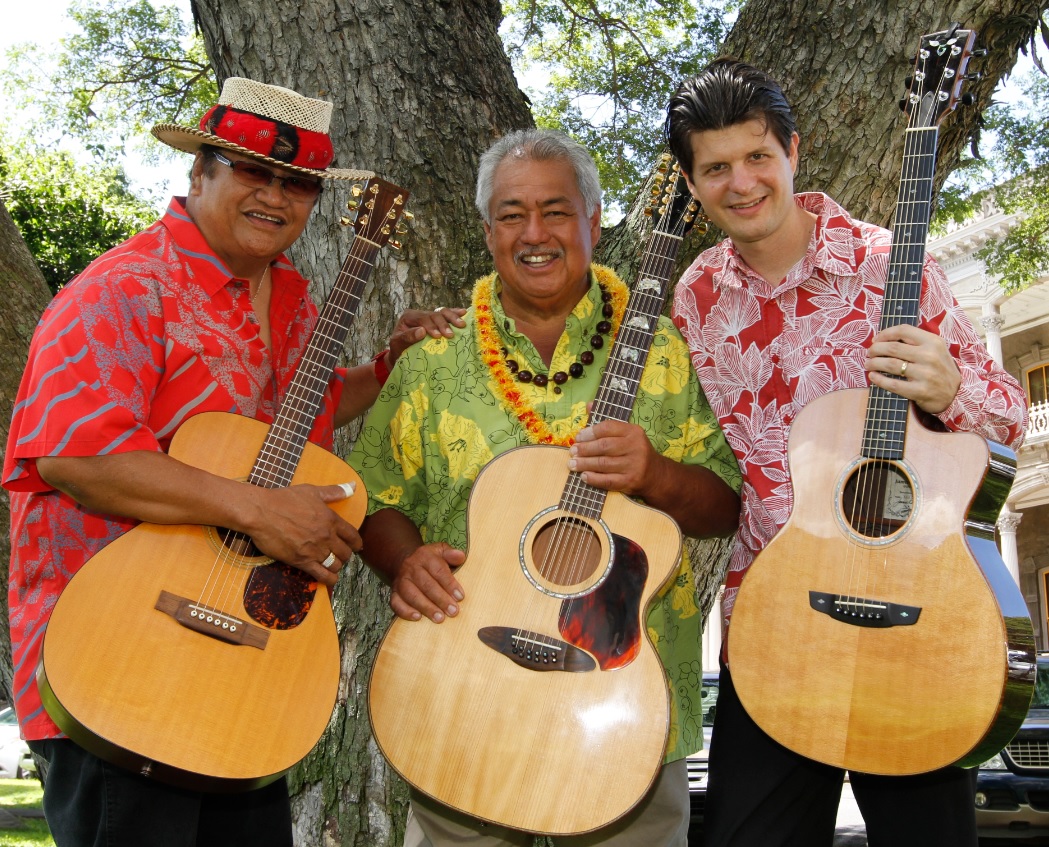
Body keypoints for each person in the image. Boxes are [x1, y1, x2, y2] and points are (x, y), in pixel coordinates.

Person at [4, 77, 464, 847]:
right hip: (113, 657)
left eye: (297, 183)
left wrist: (387, 367)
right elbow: (76, 456)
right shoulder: (123, 289)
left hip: (245, 667)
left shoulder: (292, 302)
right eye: (253, 170)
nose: (275, 196)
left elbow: (292, 426)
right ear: (199, 172)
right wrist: (259, 511)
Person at [664, 58, 1030, 847]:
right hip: (775, 625)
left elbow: (1007, 421)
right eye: (715, 167)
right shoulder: (695, 296)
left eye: (757, 156)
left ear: (793, 150)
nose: (741, 181)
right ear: (692, 185)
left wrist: (948, 390)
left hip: (916, 620)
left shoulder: (888, 263)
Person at [350, 128, 742, 847]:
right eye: (511, 213)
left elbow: (723, 505)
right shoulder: (432, 359)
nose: (534, 233)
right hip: (461, 689)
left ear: (592, 222)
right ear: (487, 229)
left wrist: (653, 472)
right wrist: (403, 561)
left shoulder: (659, 352)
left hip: (620, 700)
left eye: (556, 210)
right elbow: (376, 500)